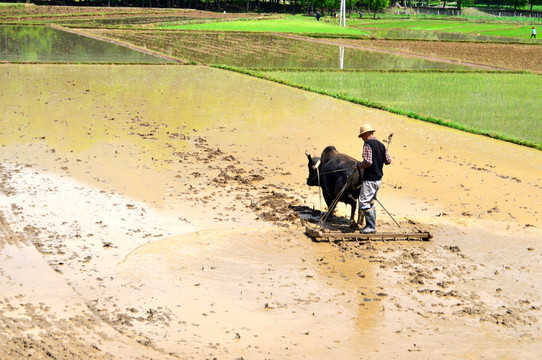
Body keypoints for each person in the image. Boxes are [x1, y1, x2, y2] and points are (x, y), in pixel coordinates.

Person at [356, 124, 392, 233]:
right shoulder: (381, 145)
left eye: (362, 136)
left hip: (370, 179)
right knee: (371, 202)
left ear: (367, 134)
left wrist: (358, 165)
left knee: (363, 202)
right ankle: (370, 226)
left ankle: (371, 226)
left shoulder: (367, 144)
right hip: (378, 179)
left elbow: (368, 162)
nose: (362, 138)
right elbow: (388, 161)